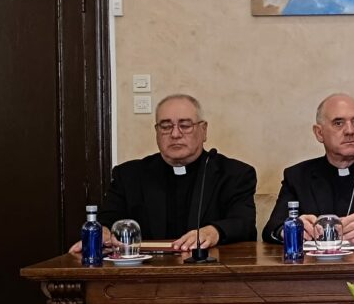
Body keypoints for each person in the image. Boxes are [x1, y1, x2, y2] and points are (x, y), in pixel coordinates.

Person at [69, 94, 257, 253]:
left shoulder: (235, 174)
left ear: (203, 130)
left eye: (185, 125)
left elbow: (244, 224)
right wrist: (102, 232)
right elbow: (108, 219)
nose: (175, 134)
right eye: (166, 126)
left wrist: (214, 231)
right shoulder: (129, 176)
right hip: (144, 276)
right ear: (157, 132)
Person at [262, 94, 354, 245]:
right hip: (315, 266)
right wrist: (291, 229)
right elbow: (272, 228)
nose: (350, 130)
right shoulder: (297, 176)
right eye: (338, 123)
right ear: (319, 133)